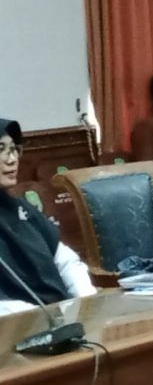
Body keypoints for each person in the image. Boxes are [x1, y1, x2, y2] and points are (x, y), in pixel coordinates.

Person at [0, 119, 96, 315]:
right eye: (1, 150)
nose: (12, 159)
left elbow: (65, 261)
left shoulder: (20, 208)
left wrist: (86, 303)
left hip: (61, 317)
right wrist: (34, 316)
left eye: (13, 149)